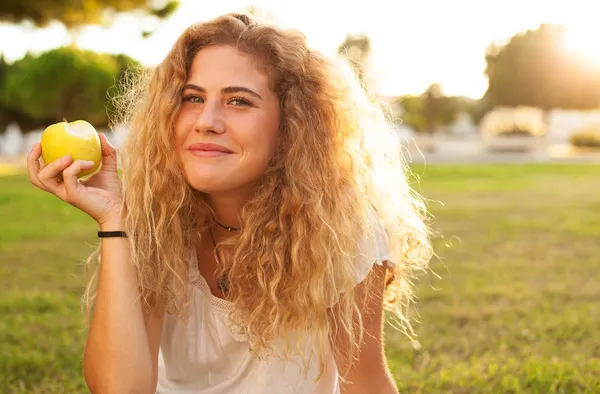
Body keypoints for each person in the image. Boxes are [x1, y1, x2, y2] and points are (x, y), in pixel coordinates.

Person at [26, 12, 432, 394]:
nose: (207, 120)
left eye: (239, 101)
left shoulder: (343, 229)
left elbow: (366, 382)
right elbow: (121, 388)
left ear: (291, 124)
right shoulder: (154, 219)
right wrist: (116, 222)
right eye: (192, 97)